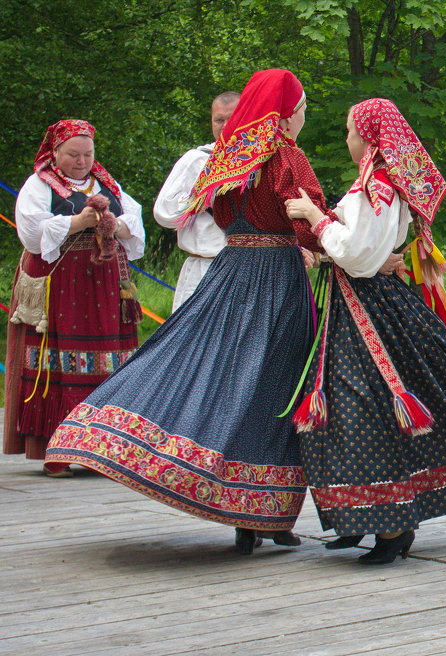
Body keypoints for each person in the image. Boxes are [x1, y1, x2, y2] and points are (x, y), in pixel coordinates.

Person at [45, 69, 335, 554]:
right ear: (286, 113)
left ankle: (127, 439)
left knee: (210, 370)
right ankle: (262, 512)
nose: (303, 119)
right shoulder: (288, 158)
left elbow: (211, 213)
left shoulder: (229, 157)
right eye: (301, 110)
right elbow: (306, 224)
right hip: (276, 279)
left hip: (229, 270)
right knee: (276, 389)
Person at [282, 98, 446, 565]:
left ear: (366, 137)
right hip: (362, 307)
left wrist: (314, 218)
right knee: (357, 411)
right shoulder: (376, 184)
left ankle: (391, 527)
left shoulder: (378, 185)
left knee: (360, 411)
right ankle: (363, 518)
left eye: (350, 130)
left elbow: (359, 255)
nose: (346, 139)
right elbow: (361, 250)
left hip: (370, 311)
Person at [4, 119, 144, 477]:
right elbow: (33, 233)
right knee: (60, 361)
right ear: (55, 152)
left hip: (106, 283)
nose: (82, 161)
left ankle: (101, 447)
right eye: (73, 154)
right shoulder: (40, 185)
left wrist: (113, 223)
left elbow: (135, 221)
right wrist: (79, 222)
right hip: (62, 285)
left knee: (109, 362)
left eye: (88, 153)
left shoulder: (107, 183)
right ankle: (57, 448)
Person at [153, 91, 240, 311]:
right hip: (203, 267)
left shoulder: (261, 161)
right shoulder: (197, 159)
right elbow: (164, 213)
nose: (225, 125)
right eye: (219, 120)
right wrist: (201, 199)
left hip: (244, 269)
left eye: (232, 118)